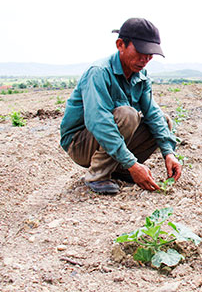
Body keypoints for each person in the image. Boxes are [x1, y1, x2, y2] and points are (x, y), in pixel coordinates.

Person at [60, 18, 181, 194]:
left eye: (150, 54)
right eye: (141, 51)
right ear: (120, 45)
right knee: (128, 115)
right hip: (79, 143)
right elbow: (99, 122)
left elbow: (153, 114)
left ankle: (121, 171)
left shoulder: (140, 75)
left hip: (103, 140)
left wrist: (169, 153)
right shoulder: (99, 72)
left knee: (163, 121)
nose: (145, 59)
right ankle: (98, 176)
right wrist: (132, 163)